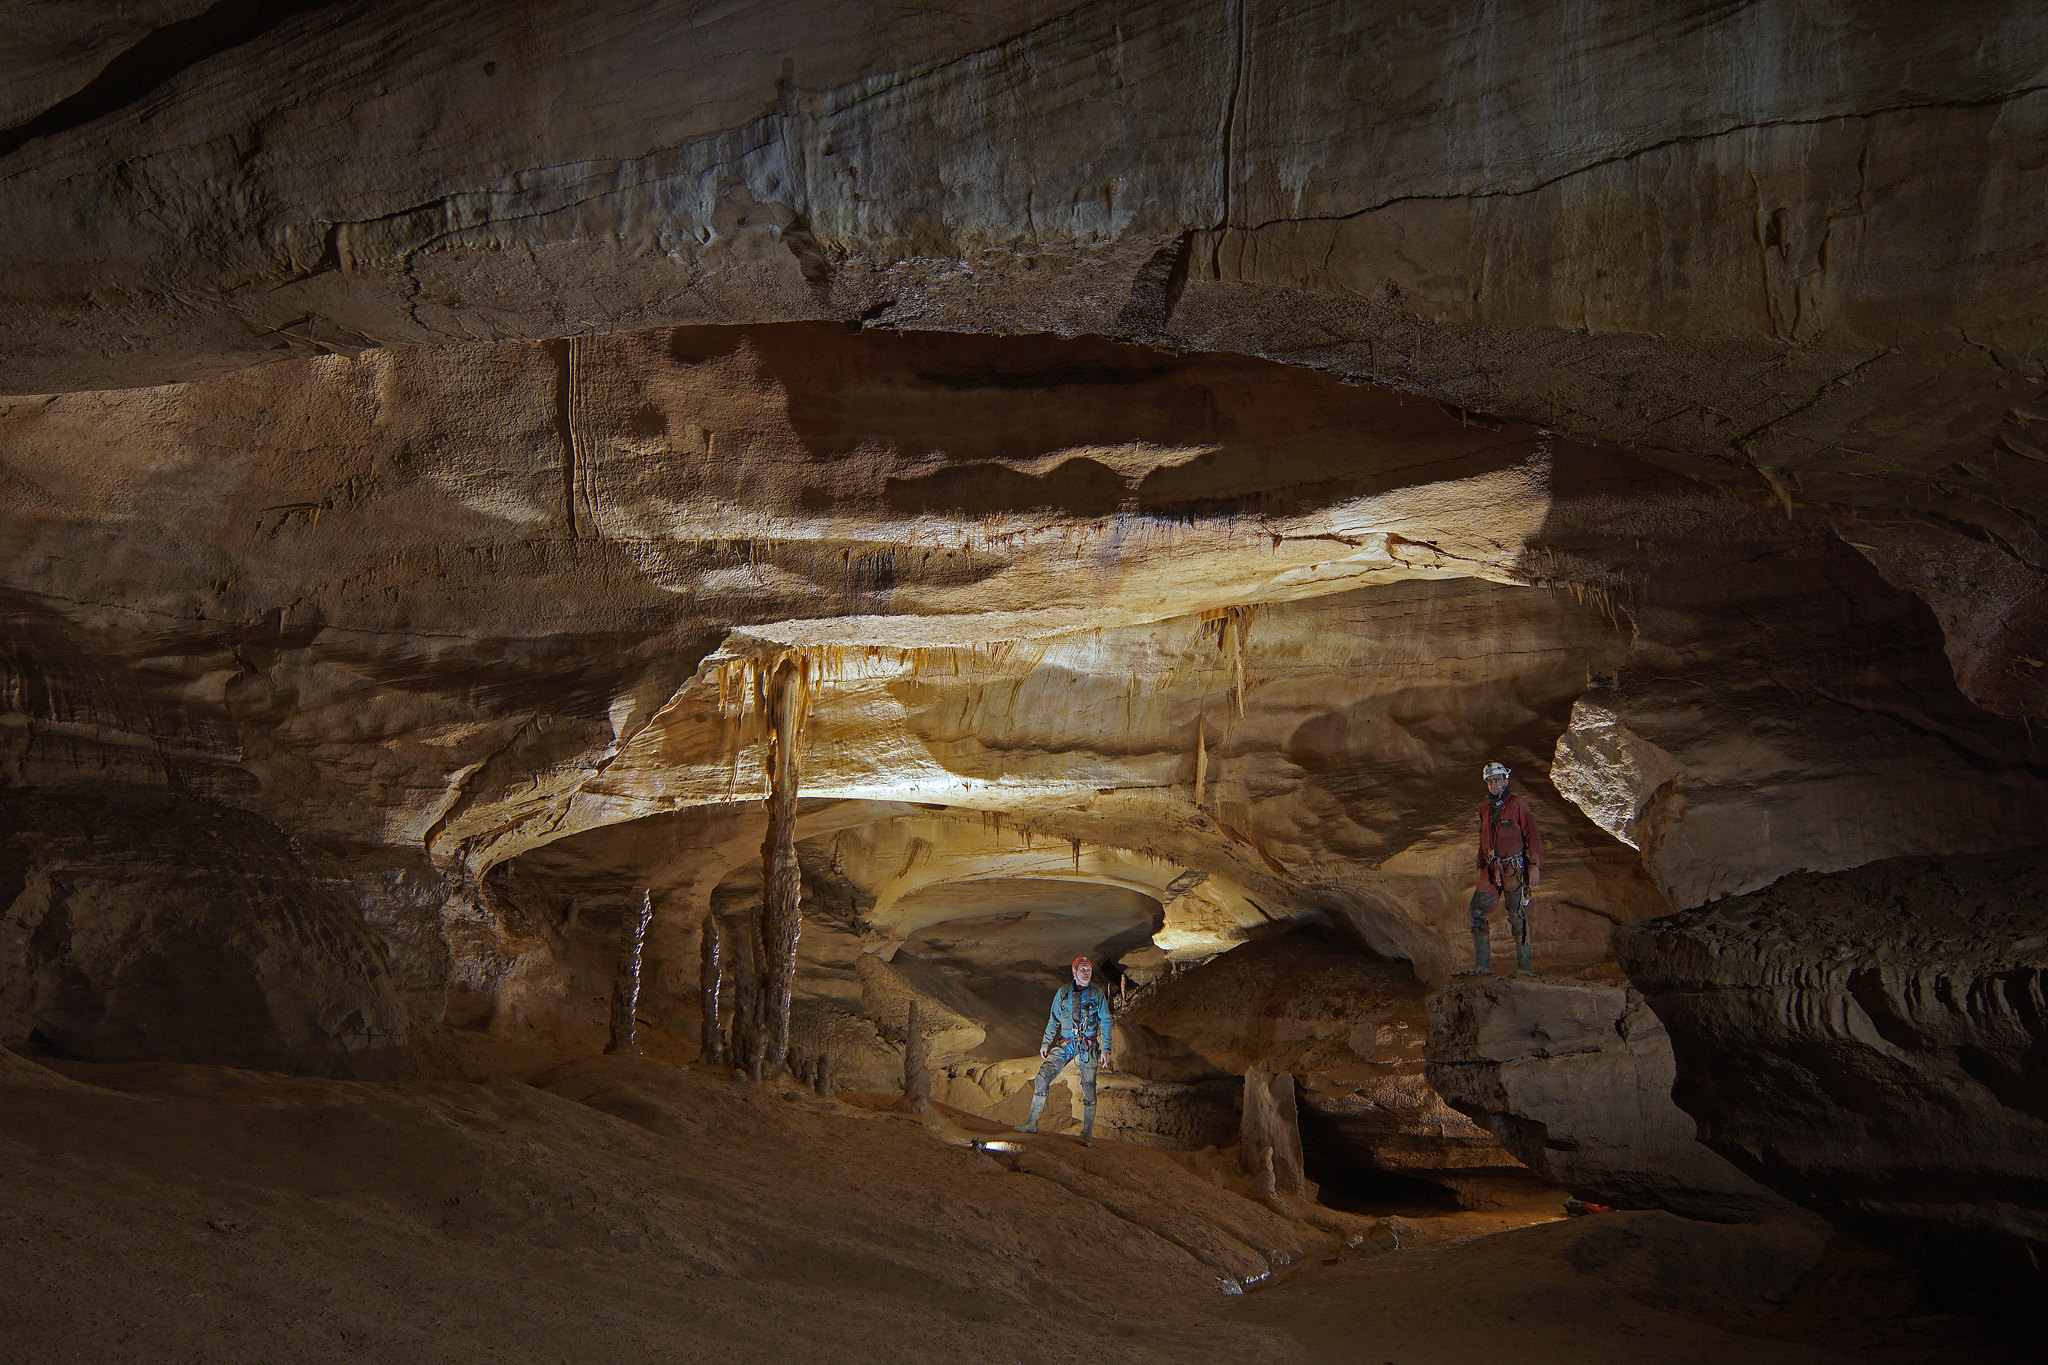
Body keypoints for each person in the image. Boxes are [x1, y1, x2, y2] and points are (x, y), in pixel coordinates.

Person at [1018, 955, 1115, 1145]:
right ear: (1074, 972)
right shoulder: (1063, 993)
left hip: (1087, 1045)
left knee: (1088, 1088)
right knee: (1042, 1077)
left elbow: (1105, 1020)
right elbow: (1054, 1018)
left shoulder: (1097, 994)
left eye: (1088, 970)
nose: (1087, 973)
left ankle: (1087, 1135)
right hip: (1067, 1043)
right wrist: (1046, 1042)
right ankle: (1032, 1123)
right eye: (1083, 970)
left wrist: (1106, 1048)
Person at [1463, 760, 1543, 975]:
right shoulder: (1485, 809)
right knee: (1476, 912)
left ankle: (1524, 968)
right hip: (1491, 869)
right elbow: (1484, 838)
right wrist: (1481, 865)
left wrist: (1535, 865)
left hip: (1513, 868)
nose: (1493, 784)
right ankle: (1481, 966)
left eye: (1496, 780)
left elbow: (1532, 836)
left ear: (1505, 780)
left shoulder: (1518, 805)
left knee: (1517, 915)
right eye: (1489, 781)